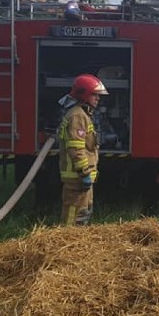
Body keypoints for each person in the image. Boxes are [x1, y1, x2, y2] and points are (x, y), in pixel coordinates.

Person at [58, 74, 108, 225]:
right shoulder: (77, 116)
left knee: (84, 212)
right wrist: (84, 173)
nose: (98, 99)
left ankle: (77, 243)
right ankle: (66, 242)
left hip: (81, 177)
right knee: (73, 215)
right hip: (77, 177)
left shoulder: (83, 114)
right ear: (84, 94)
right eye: (94, 94)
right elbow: (76, 148)